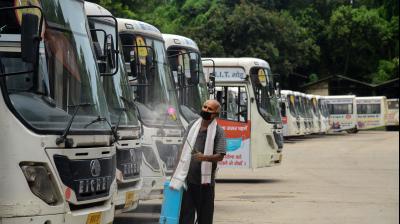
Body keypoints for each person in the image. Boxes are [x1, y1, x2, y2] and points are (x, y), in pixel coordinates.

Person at [170, 99, 226, 224]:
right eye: (205, 107)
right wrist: (174, 174)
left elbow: (220, 155)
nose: (206, 110)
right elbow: (182, 149)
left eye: (210, 109)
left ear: (216, 114)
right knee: (185, 217)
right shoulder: (192, 126)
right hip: (189, 181)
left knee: (205, 218)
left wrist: (204, 157)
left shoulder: (219, 131)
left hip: (206, 184)